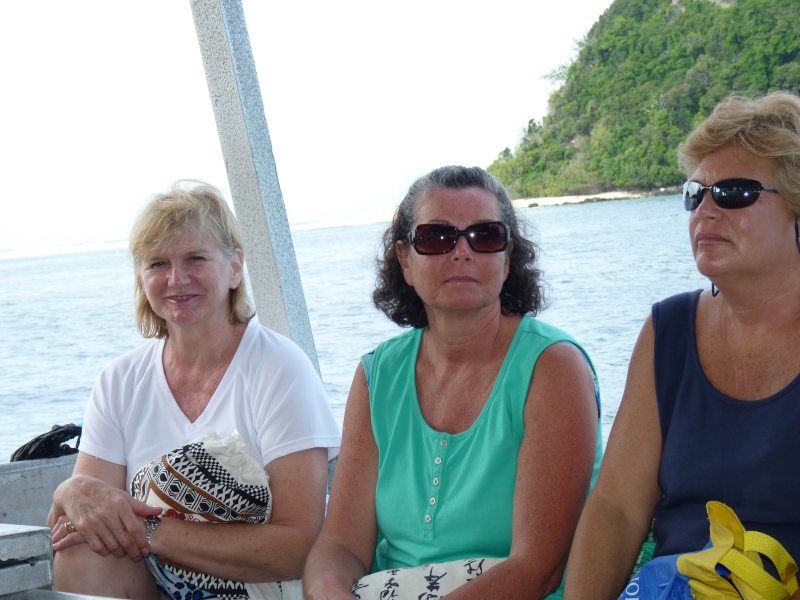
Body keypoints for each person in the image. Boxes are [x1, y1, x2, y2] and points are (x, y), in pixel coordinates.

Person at [303, 166, 603, 600]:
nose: (462, 251)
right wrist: (331, 592)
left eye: (485, 236)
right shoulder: (377, 375)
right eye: (436, 237)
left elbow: (538, 568)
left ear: (507, 258)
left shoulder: (553, 368)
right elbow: (341, 543)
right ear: (405, 260)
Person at [47, 182, 340, 599]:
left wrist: (149, 530)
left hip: (267, 589)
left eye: (195, 259)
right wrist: (70, 491)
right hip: (158, 585)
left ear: (235, 267)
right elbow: (77, 519)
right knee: (83, 549)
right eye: (158, 264)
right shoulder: (119, 381)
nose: (177, 279)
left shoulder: (279, 368)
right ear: (141, 278)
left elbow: (300, 546)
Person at [563, 91, 800, 600]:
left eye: (734, 193)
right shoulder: (667, 330)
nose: (706, 211)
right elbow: (618, 508)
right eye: (696, 194)